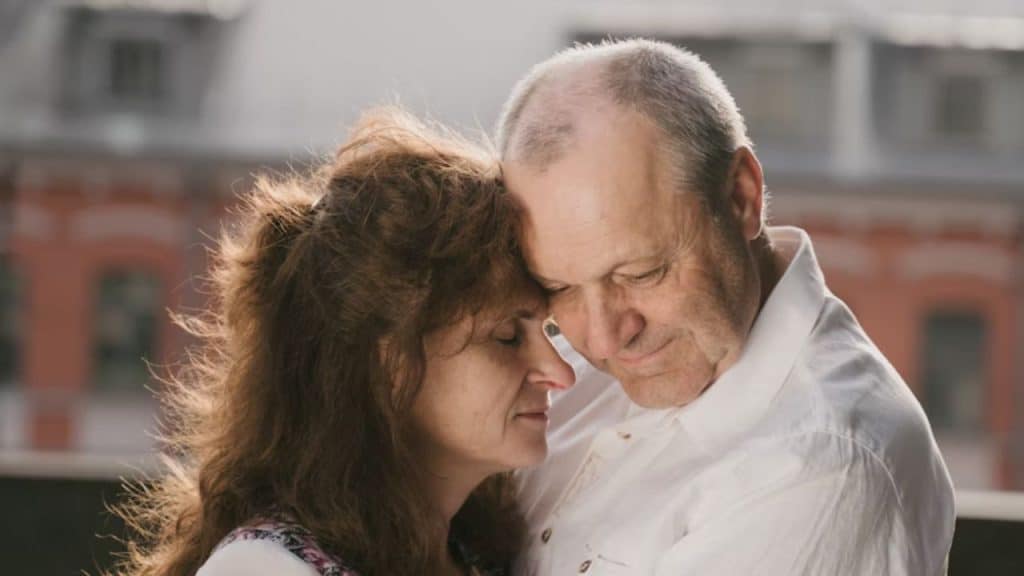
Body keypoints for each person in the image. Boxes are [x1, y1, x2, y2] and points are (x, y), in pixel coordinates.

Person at [496, 39, 956, 575]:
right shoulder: (555, 368)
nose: (600, 340)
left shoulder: (821, 467)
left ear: (741, 197)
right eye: (561, 289)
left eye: (641, 273)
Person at [112, 107, 575, 576]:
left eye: (548, 330)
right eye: (507, 337)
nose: (560, 372)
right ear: (386, 361)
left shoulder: (480, 554)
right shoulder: (264, 569)